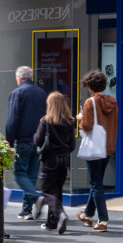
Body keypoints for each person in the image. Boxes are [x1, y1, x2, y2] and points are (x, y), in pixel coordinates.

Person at [76, 71, 119, 233]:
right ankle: (87, 215)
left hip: (95, 146)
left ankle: (103, 220)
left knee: (95, 183)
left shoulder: (90, 102)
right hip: (108, 146)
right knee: (97, 182)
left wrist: (80, 118)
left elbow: (87, 125)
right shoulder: (113, 103)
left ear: (90, 87)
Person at [3, 66, 47, 218]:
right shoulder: (41, 93)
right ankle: (27, 209)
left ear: (19, 79)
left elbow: (12, 120)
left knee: (20, 173)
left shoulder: (17, 93)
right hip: (38, 140)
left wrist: (8, 142)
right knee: (32, 174)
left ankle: (34, 197)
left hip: (23, 140)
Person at [34, 90, 77, 234]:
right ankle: (51, 223)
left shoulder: (46, 121)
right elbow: (72, 145)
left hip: (49, 160)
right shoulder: (69, 122)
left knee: (47, 190)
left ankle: (60, 214)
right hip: (63, 160)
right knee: (57, 190)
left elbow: (37, 140)